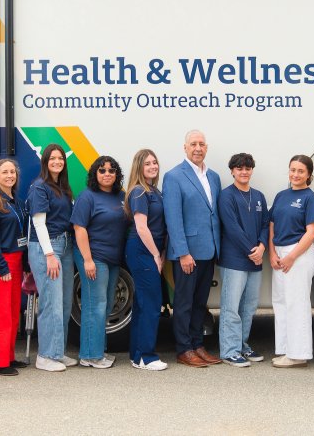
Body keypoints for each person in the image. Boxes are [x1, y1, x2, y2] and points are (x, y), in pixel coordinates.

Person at [162, 130, 222, 368]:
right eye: (193, 144)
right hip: (187, 253)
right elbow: (173, 218)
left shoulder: (214, 177)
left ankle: (197, 345)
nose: (198, 148)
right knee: (184, 303)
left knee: (200, 303)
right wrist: (183, 253)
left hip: (209, 250)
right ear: (185, 147)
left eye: (202, 144)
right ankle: (184, 349)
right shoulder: (174, 176)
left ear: (207, 148)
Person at [71, 156, 128, 369]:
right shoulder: (87, 196)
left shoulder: (120, 196)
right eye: (102, 170)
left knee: (106, 304)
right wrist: (87, 260)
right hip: (93, 256)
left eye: (111, 170)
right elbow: (79, 228)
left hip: (113, 258)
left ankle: (98, 351)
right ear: (95, 173)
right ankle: (90, 355)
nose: (107, 174)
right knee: (94, 305)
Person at [26, 144, 77, 372]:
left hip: (64, 245)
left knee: (64, 303)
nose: (57, 162)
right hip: (46, 248)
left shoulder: (62, 187)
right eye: (52, 158)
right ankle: (45, 356)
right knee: (50, 303)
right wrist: (49, 254)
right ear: (45, 161)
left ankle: (58, 351)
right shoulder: (40, 187)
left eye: (60, 158)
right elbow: (39, 222)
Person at [268, 155, 314, 368]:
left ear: (309, 174)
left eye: (301, 171)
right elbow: (272, 225)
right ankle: (285, 349)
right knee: (281, 302)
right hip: (280, 253)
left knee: (297, 304)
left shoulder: (310, 198)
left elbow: (312, 232)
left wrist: (291, 256)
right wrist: (272, 253)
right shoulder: (281, 195)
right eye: (293, 170)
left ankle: (298, 354)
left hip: (299, 254)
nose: (295, 174)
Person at [217, 153, 269, 367]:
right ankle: (229, 351)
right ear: (232, 171)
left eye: (247, 168)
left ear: (252, 170)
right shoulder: (226, 196)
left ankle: (242, 346)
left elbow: (266, 224)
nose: (244, 172)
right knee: (231, 307)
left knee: (248, 307)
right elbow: (232, 228)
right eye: (239, 168)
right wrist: (252, 251)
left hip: (255, 260)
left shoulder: (258, 196)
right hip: (234, 260)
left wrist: (262, 247)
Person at [0, 159, 28, 376]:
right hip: (0, 262)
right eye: (5, 172)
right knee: (0, 313)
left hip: (16, 261)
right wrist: (1, 267)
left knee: (13, 311)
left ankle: (8, 356)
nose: (10, 175)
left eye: (12, 172)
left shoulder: (16, 201)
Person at [124, 149, 168, 371]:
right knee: (151, 303)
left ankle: (137, 355)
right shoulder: (140, 192)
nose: (153, 166)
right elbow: (142, 228)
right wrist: (155, 254)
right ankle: (147, 357)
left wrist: (161, 252)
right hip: (142, 250)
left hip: (148, 250)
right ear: (139, 167)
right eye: (147, 163)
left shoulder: (154, 191)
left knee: (142, 304)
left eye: (154, 162)